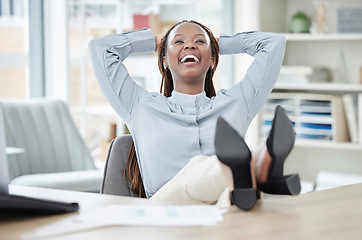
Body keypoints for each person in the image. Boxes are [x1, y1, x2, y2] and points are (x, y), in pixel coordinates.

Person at [89, 20, 301, 211]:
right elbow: (100, 49)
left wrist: (217, 44)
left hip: (221, 209)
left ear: (212, 61)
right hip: (166, 211)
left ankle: (249, 173)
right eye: (179, 42)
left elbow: (274, 43)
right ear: (164, 60)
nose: (189, 46)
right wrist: (154, 42)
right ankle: (258, 166)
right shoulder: (139, 106)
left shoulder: (236, 103)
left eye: (199, 42)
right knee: (201, 174)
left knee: (237, 200)